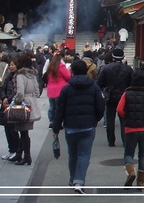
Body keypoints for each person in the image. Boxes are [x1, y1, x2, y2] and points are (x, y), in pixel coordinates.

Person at [52, 60, 105, 194]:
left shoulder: (66, 88)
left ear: (72, 71)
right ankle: (79, 181)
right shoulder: (94, 87)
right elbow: (100, 106)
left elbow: (59, 110)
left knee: (73, 154)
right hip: (88, 126)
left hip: (71, 126)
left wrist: (56, 128)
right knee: (84, 154)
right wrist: (95, 119)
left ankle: (72, 179)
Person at [116, 69, 144, 188]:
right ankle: (140, 181)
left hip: (130, 128)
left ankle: (130, 172)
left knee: (128, 153)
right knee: (143, 155)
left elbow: (119, 109)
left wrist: (126, 117)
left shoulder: (127, 93)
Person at [10, 53, 42, 165]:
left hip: (23, 104)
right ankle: (20, 153)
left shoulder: (20, 75)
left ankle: (26, 156)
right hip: (31, 103)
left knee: (23, 132)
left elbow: (20, 93)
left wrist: (15, 101)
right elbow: (37, 92)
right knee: (25, 131)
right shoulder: (32, 75)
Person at [97, 48, 133, 147]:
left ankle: (111, 141)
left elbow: (99, 83)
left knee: (110, 119)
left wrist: (104, 91)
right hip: (124, 96)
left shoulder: (106, 68)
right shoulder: (128, 69)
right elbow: (132, 83)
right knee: (123, 120)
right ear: (122, 57)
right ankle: (125, 141)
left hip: (110, 96)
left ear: (112, 56)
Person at [0, 58, 20, 160]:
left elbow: (17, 92)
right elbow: (2, 88)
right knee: (7, 128)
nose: (11, 67)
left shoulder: (18, 77)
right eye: (10, 65)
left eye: (13, 65)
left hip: (13, 105)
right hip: (5, 105)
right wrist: (3, 97)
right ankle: (11, 149)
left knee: (13, 129)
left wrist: (9, 99)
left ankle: (16, 150)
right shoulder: (8, 76)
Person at [45, 52, 72, 128]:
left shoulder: (50, 67)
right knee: (59, 107)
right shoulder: (61, 66)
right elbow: (68, 76)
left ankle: (51, 121)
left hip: (51, 89)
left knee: (51, 106)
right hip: (60, 89)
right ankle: (58, 122)